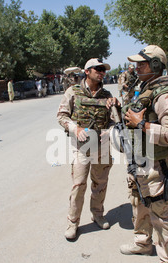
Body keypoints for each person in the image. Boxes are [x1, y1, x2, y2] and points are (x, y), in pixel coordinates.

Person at [121, 45, 168, 263]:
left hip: (155, 165)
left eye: (142, 63)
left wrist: (142, 126)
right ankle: (142, 242)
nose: (137, 67)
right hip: (139, 160)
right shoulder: (146, 89)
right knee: (138, 203)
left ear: (156, 65)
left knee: (160, 213)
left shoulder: (166, 96)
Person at [57, 58, 120, 241]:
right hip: (82, 148)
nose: (101, 72)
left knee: (100, 184)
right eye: (98, 69)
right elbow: (61, 116)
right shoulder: (73, 92)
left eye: (103, 70)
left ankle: (97, 214)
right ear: (87, 71)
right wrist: (75, 128)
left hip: (102, 148)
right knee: (78, 185)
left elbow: (115, 121)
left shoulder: (108, 95)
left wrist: (109, 131)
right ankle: (73, 222)